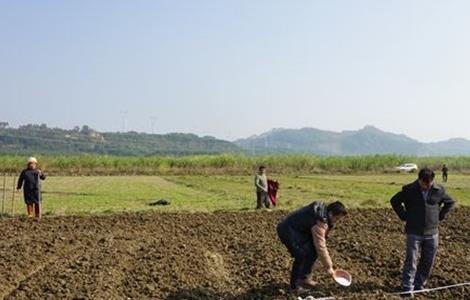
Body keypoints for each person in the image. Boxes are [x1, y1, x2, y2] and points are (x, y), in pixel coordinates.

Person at [390, 168, 455, 296]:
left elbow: (450, 202)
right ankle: (407, 288)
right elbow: (394, 201)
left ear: (433, 180)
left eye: (429, 183)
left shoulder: (439, 190)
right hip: (414, 232)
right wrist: (403, 216)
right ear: (419, 180)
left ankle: (419, 285)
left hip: (432, 233)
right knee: (411, 260)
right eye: (424, 183)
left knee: (428, 261)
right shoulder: (409, 190)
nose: (426, 186)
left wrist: (440, 216)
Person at [277, 201, 348, 294]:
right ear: (331, 214)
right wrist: (329, 266)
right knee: (301, 255)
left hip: (300, 230)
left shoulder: (324, 214)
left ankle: (304, 278)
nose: (337, 221)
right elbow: (320, 245)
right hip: (288, 230)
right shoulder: (320, 221)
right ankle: (294, 287)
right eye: (337, 218)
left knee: (312, 251)